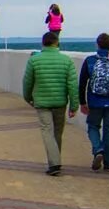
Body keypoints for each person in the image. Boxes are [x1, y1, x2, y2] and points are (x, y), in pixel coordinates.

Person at [22, 31, 78, 175]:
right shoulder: (67, 60)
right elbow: (72, 85)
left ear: (43, 43)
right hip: (60, 102)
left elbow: (27, 82)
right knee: (57, 133)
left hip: (42, 102)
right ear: (57, 43)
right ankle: (55, 162)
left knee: (47, 131)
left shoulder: (34, 60)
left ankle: (54, 163)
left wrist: (28, 98)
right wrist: (74, 106)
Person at [79, 33, 109, 172]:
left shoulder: (90, 61)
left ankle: (98, 149)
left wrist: (82, 102)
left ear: (97, 44)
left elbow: (82, 83)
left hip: (95, 102)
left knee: (93, 126)